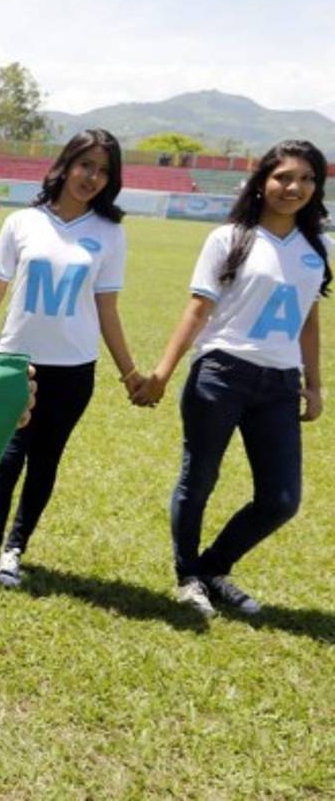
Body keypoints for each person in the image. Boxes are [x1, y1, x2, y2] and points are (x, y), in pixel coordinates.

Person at [132, 141, 329, 616]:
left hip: (280, 385)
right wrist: (161, 372)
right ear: (263, 181)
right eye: (284, 176)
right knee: (198, 480)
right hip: (221, 375)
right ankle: (188, 577)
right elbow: (197, 309)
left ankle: (213, 567)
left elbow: (308, 318)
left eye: (306, 178)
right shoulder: (229, 238)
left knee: (281, 499)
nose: (294, 187)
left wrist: (315, 383)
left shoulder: (318, 247)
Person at [0, 129, 142, 605]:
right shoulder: (22, 222)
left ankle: (13, 552)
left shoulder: (109, 233)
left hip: (75, 369)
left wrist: (130, 374)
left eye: (104, 171)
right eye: (86, 165)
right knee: (5, 461)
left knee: (45, 461)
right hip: (17, 363)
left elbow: (108, 309)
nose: (93, 177)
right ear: (65, 165)